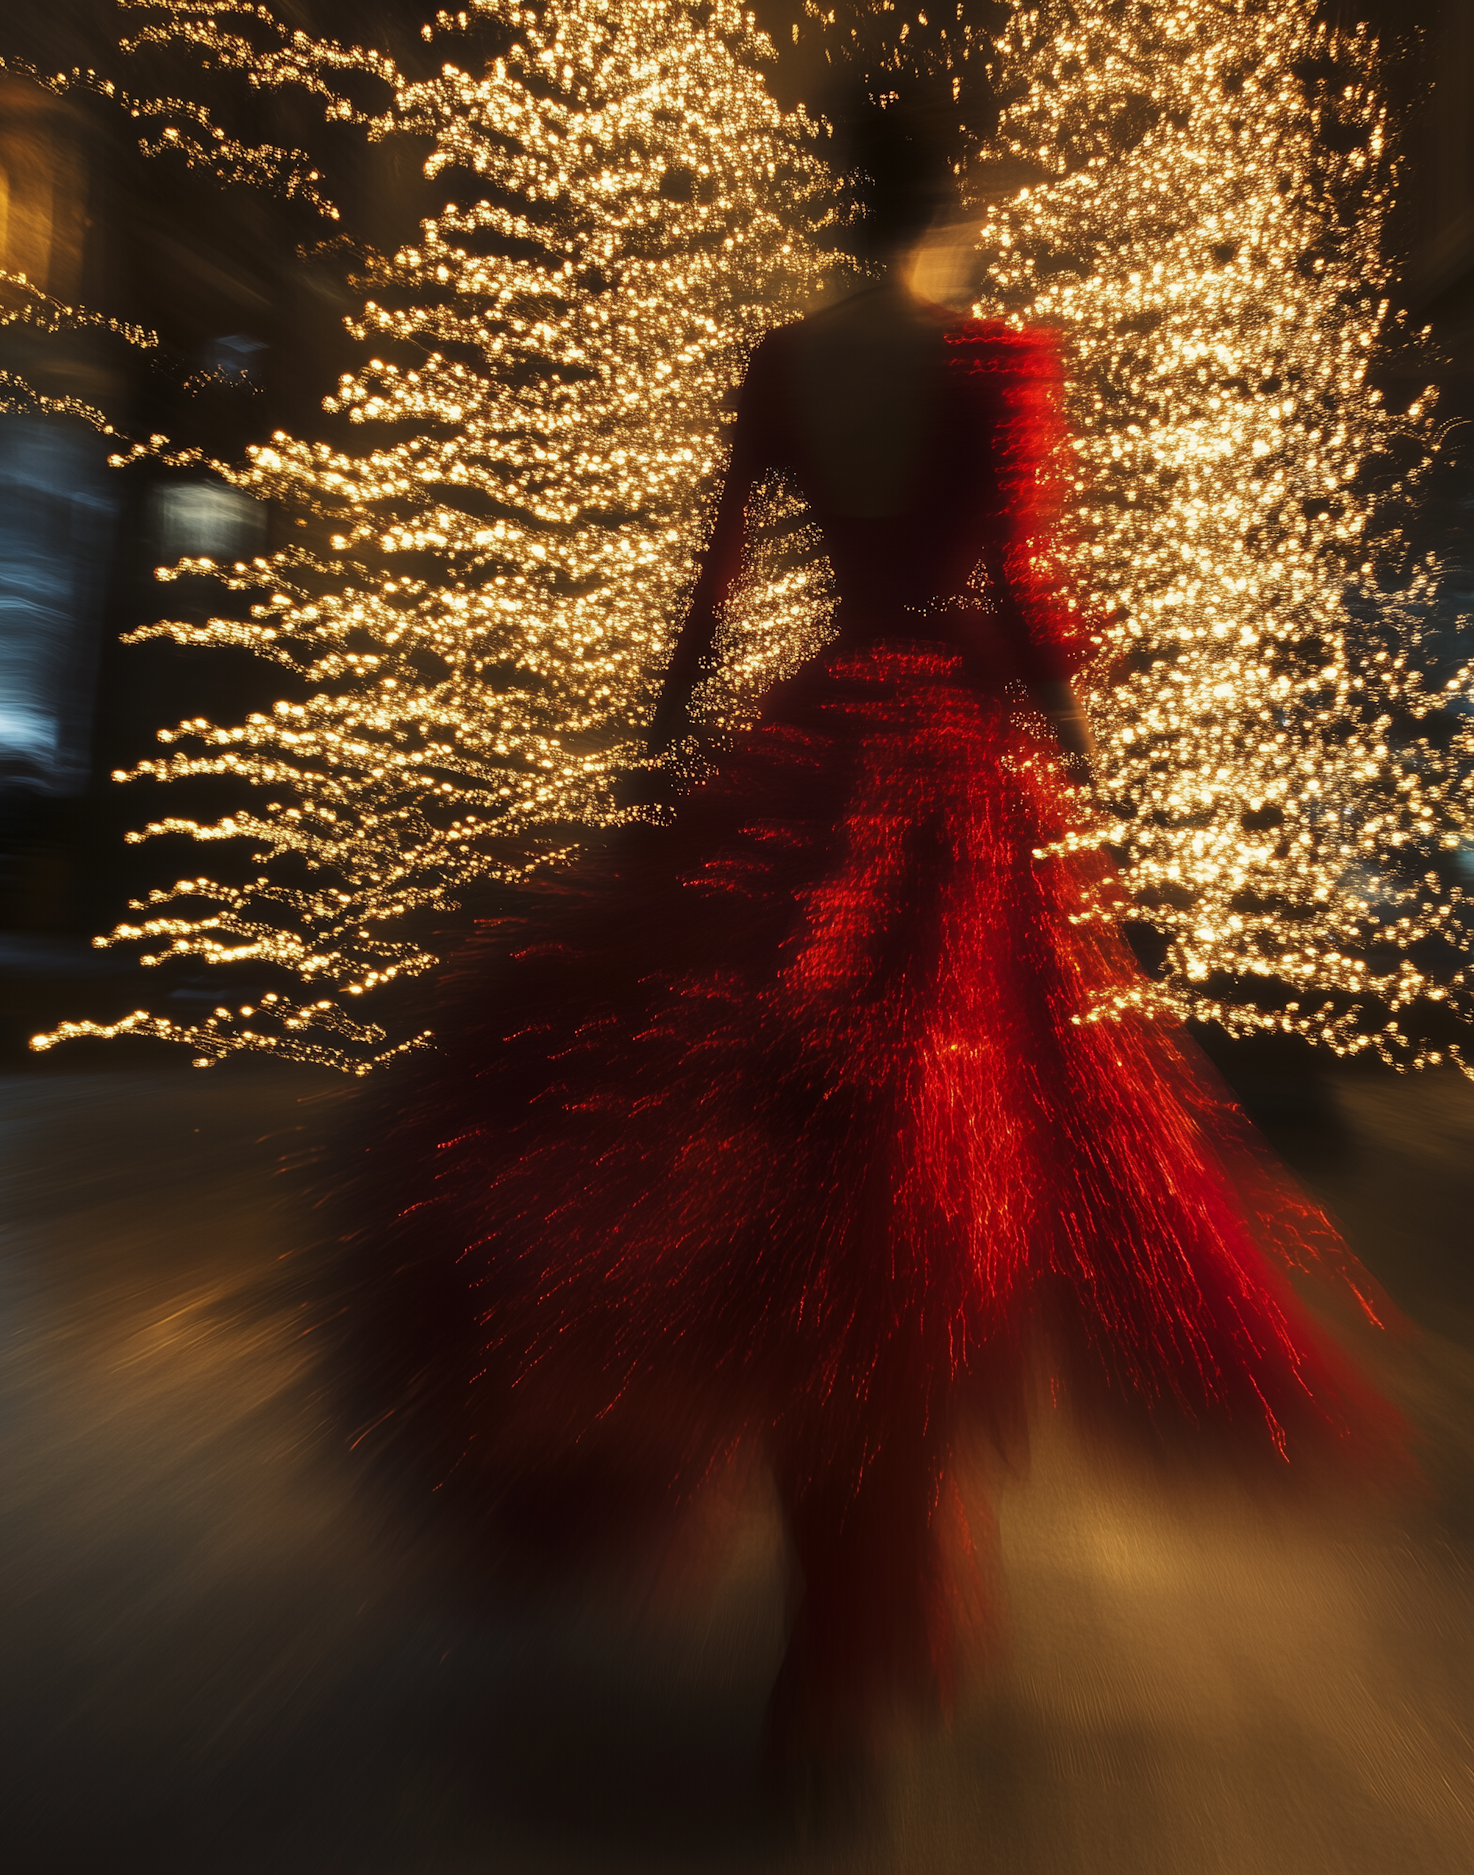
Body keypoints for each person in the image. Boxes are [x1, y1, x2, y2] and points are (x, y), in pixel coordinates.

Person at [361, 97, 1412, 1808]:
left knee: (794, 1190)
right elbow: (1024, 593)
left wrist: (654, 805)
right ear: (952, 202)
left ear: (844, 200)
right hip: (950, 792)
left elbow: (708, 611)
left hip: (803, 766)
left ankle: (839, 1602)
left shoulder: (786, 364)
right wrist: (1092, 794)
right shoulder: (1000, 365)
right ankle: (858, 1617)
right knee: (930, 1195)